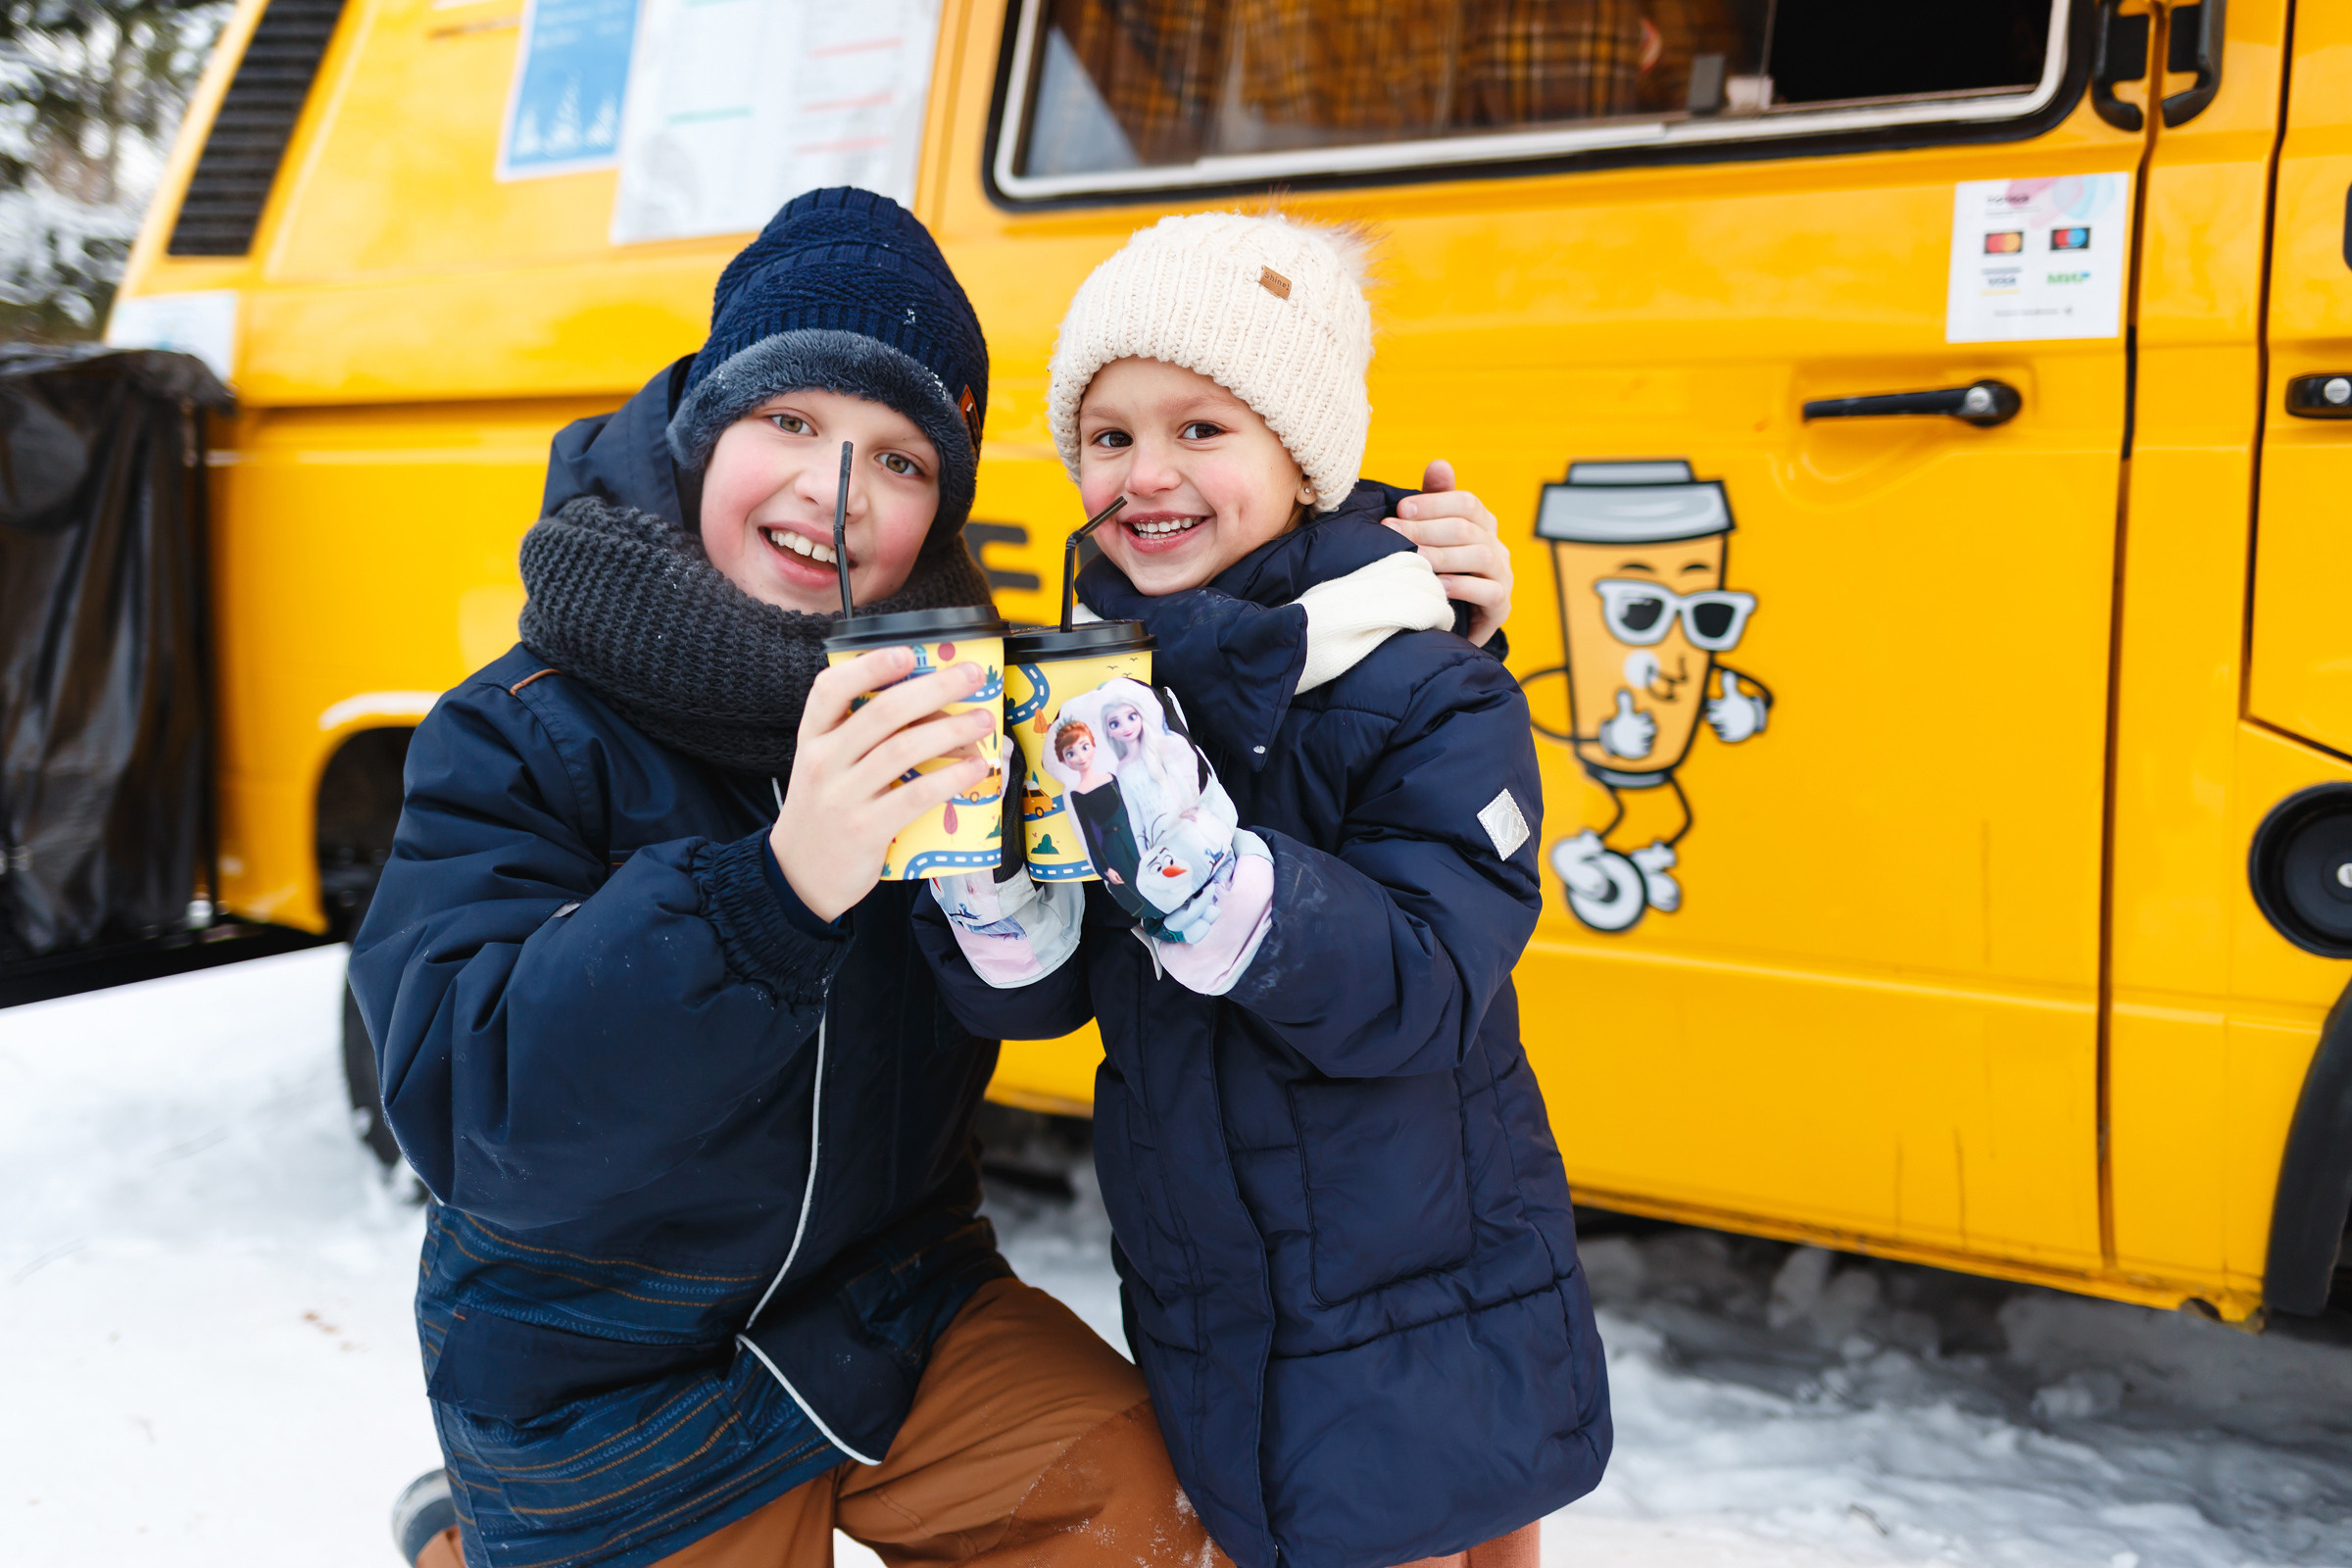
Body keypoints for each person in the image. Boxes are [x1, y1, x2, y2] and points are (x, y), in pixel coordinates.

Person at [352, 187, 1526, 1568]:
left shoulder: (977, 695)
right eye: (787, 420)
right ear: (697, 431)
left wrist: (1402, 604)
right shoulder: (523, 729)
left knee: (1177, 1531)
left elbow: (1232, 682)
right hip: (605, 1368)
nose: (832, 490)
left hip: (892, 1314)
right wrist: (775, 891)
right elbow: (471, 1110)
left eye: (900, 458)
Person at [918, 211, 1612, 1568]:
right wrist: (986, 883)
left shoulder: (1426, 686)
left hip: (1421, 1307)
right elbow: (1048, 996)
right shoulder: (1089, 687)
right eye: (1108, 435)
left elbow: (1424, 988)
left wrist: (1213, 885)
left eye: (1202, 428)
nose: (1146, 474)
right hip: (1219, 1298)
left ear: (1303, 459)